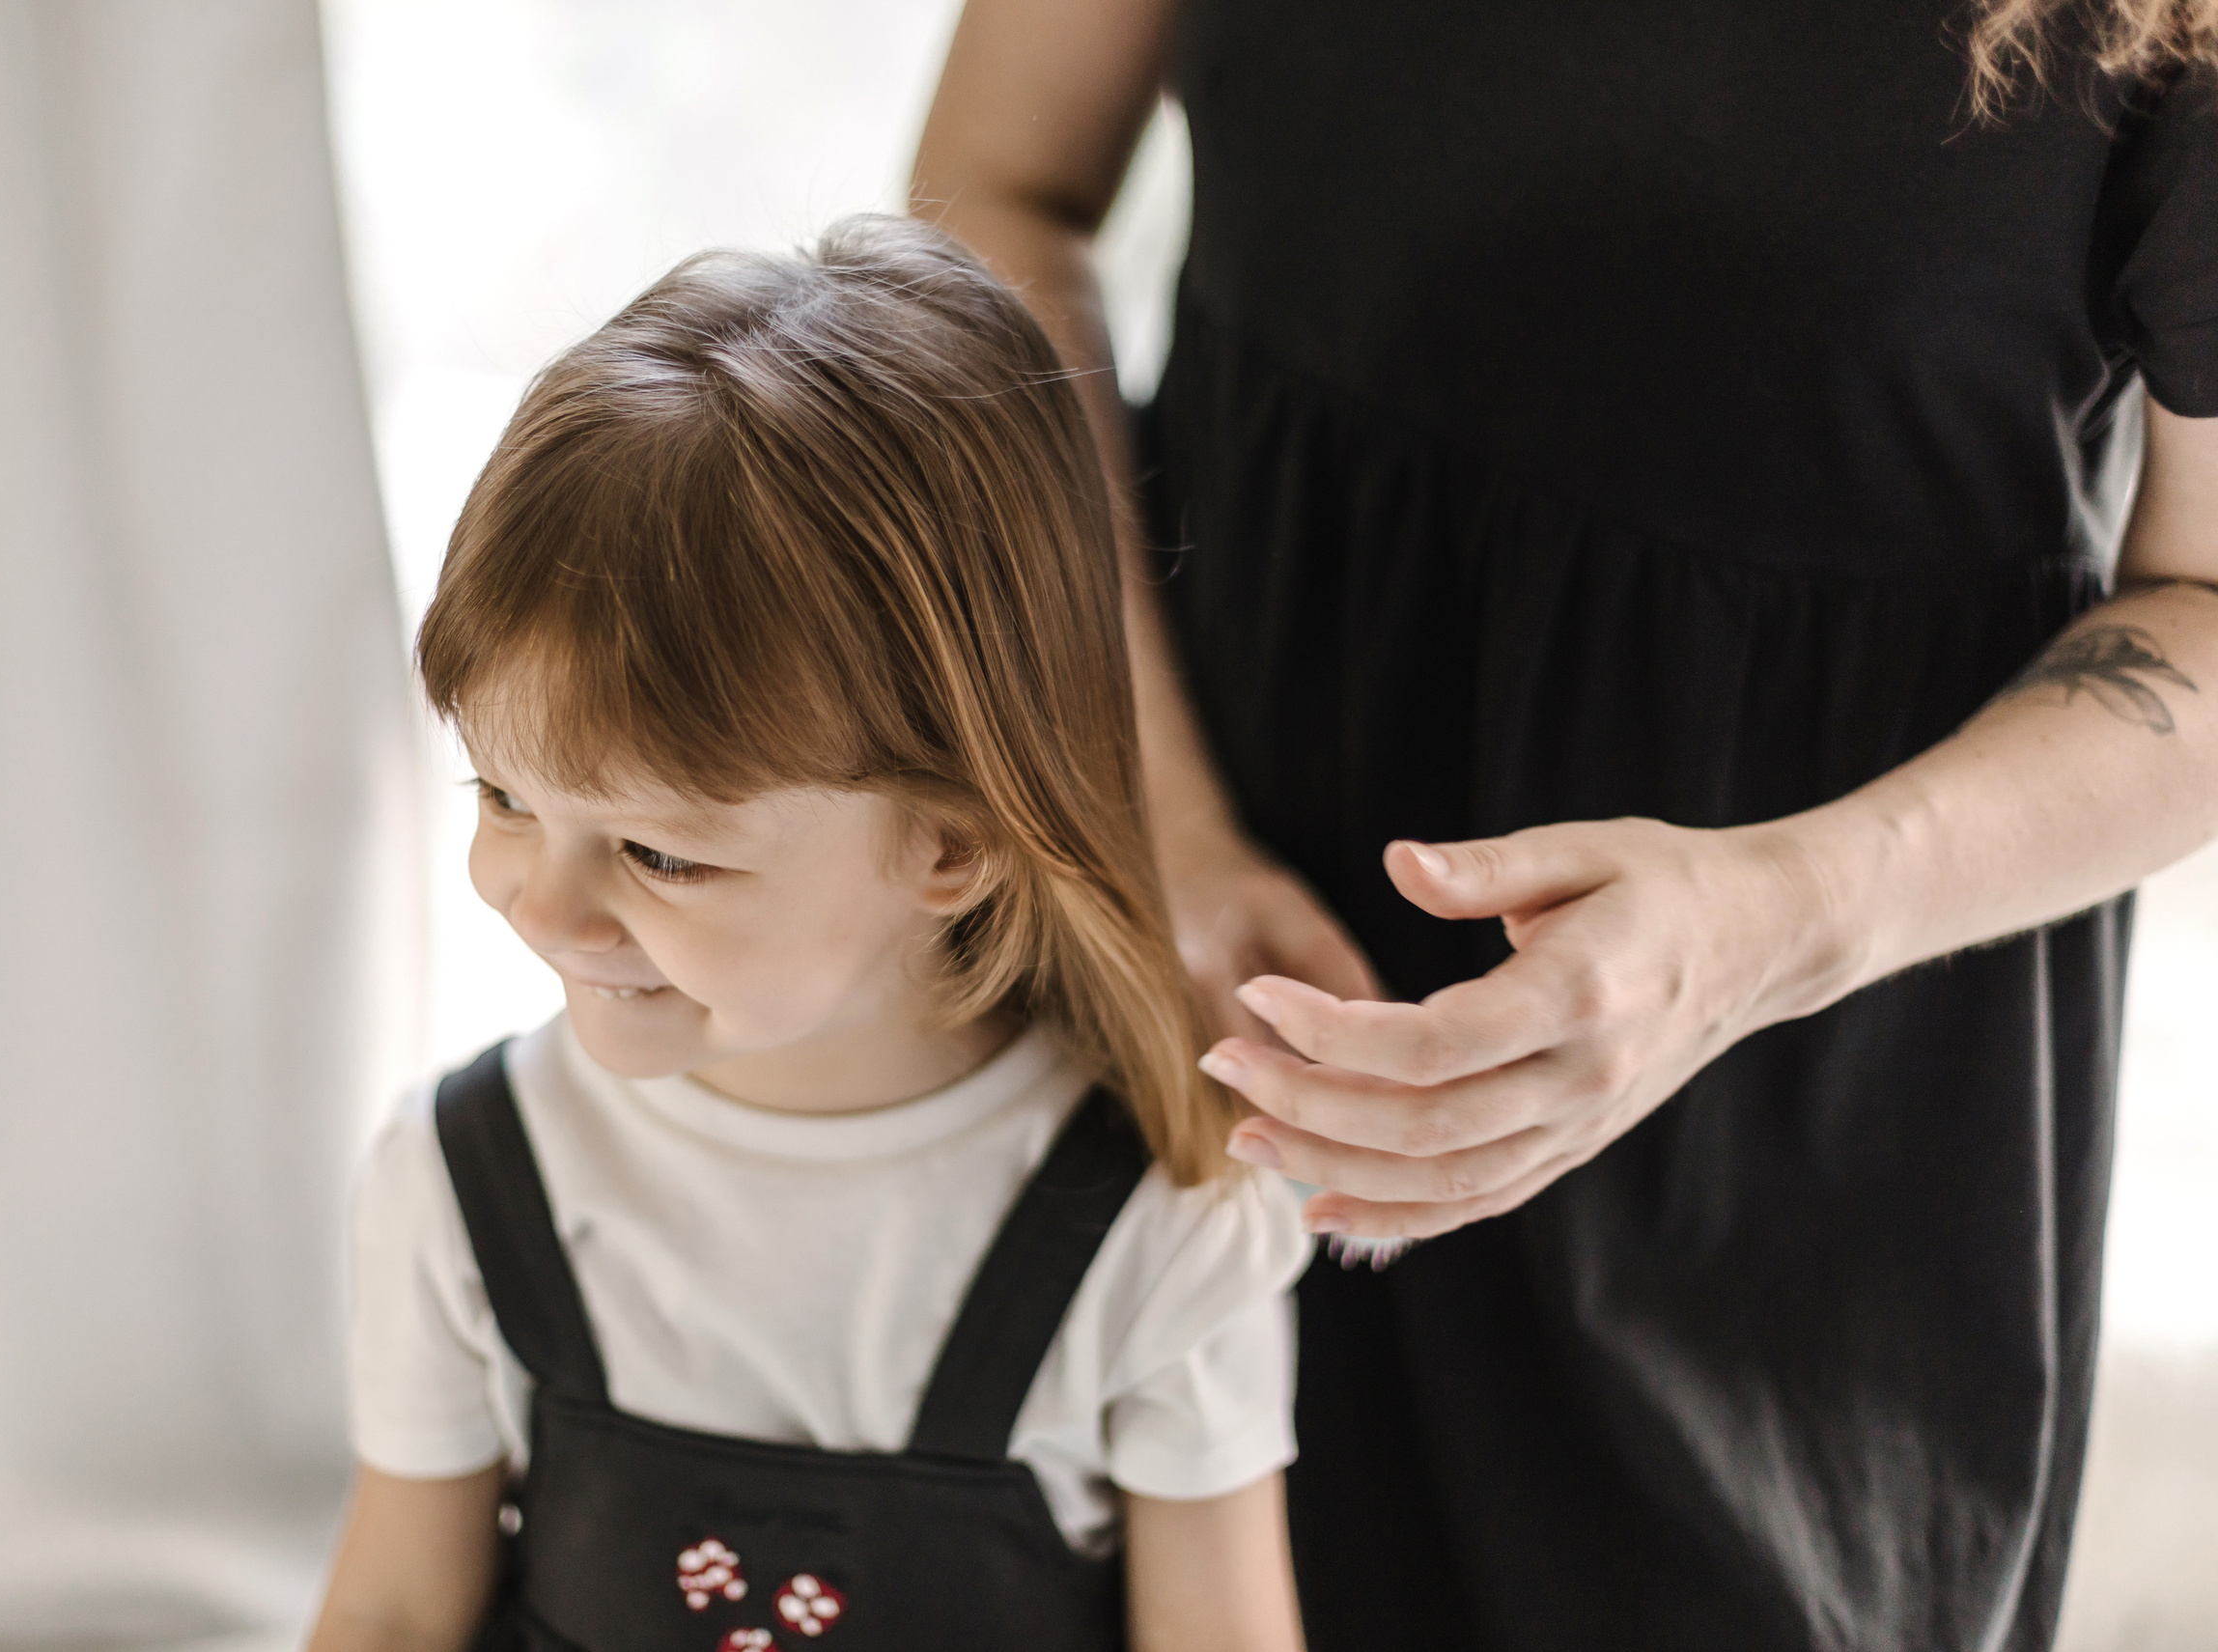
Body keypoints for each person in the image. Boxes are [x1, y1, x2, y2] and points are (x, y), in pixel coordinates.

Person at [912, 1, 2218, 1647]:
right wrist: (1150, 821)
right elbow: (995, 195)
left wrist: (1773, 923)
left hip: (1788, 1174)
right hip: (1185, 997)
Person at [302, 216, 1311, 1652]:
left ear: (950, 841)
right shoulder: (462, 1180)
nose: (542, 901)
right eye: (505, 796)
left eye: (661, 852)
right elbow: (396, 1613)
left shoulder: (1164, 1223)